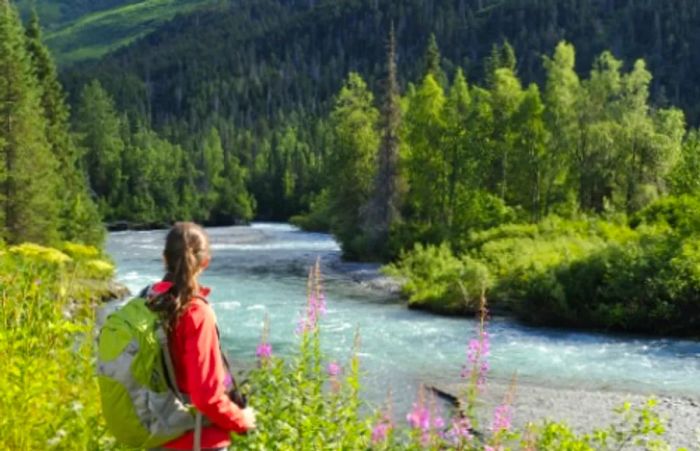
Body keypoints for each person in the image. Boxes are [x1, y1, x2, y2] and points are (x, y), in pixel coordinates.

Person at [147, 222, 256, 450]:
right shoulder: (196, 313)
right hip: (198, 440)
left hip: (158, 435)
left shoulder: (147, 305)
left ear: (164, 258)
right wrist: (241, 420)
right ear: (205, 262)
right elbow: (205, 397)